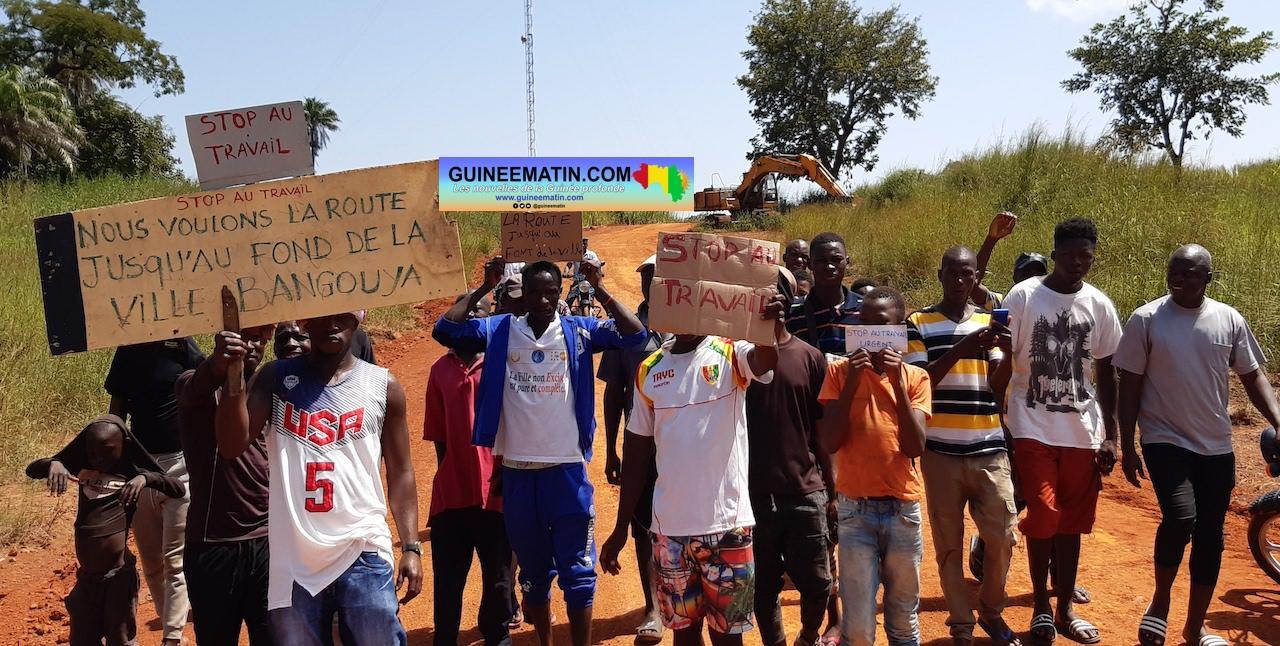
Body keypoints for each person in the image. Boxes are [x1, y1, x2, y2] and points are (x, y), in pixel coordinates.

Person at [433, 258, 646, 646]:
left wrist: (597, 287)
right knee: (532, 572)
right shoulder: (500, 330)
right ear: (523, 295)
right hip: (517, 472)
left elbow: (635, 335)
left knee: (578, 572)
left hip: (566, 471)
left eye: (552, 292)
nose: (545, 300)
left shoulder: (579, 331)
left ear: (560, 293)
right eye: (536, 292)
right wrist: (485, 286)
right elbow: (445, 330)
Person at [214, 310, 422, 645]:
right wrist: (233, 375)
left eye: (343, 315)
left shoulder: (383, 385)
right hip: (294, 555)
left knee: (379, 636)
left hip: (362, 544)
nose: (332, 324)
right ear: (306, 322)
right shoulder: (276, 378)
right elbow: (230, 445)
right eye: (323, 316)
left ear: (359, 320)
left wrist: (411, 546)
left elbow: (401, 471)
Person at [601, 278, 787, 646]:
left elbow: (765, 359)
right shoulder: (649, 370)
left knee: (727, 637)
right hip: (670, 534)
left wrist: (770, 326)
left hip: (728, 528)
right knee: (684, 635)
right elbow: (637, 454)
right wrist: (621, 527)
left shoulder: (731, 353)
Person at [1115, 244, 1280, 646]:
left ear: (1208, 278)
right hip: (1163, 438)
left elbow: (1253, 376)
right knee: (1181, 516)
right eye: (1174, 270)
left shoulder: (1228, 319)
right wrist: (1128, 443)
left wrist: (1278, 419)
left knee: (1211, 534)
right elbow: (1129, 386)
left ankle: (1195, 627)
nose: (1179, 278)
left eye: (1190, 273)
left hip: (1216, 444)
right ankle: (1160, 601)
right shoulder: (1147, 319)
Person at [1002, 218, 1121, 645]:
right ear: (1055, 254)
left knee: (1071, 524)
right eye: (1069, 254)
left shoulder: (1100, 305)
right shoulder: (1025, 296)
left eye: (1085, 256)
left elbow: (1107, 374)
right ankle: (1040, 607)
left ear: (1093, 256)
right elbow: (1004, 356)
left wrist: (1112, 435)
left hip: (1082, 430)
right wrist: (1000, 420)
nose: (1077, 263)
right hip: (1031, 424)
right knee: (1044, 515)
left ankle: (1065, 606)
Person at [906, 247, 1020, 646]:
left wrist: (1005, 352)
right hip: (940, 452)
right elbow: (920, 381)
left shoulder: (990, 321)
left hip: (989, 447)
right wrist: (961, 348)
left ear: (976, 279)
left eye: (967, 274)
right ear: (940, 275)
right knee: (949, 547)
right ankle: (961, 625)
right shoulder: (918, 322)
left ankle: (990, 609)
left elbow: (997, 387)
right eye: (952, 273)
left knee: (1004, 535)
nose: (959, 280)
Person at [817, 287, 930, 646]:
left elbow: (914, 446)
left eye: (880, 326)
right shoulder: (838, 372)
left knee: (902, 617)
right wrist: (851, 381)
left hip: (902, 510)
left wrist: (896, 382)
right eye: (862, 324)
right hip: (856, 511)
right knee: (859, 625)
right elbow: (829, 441)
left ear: (899, 330)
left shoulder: (916, 378)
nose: (870, 334)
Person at [27, 415, 185, 646]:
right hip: (87, 578)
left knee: (119, 637)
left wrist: (144, 478)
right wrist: (53, 463)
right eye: (92, 452)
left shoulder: (131, 472)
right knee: (81, 638)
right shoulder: (83, 467)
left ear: (124, 446)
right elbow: (32, 470)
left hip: (117, 578)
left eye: (107, 451)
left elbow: (177, 488)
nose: (99, 458)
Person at [744, 268, 834, 646]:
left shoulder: (811, 357)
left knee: (818, 585)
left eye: (778, 294)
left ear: (790, 299)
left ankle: (808, 636)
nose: (772, 301)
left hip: (805, 492)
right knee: (762, 588)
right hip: (753, 497)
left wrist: (832, 490)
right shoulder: (738, 360)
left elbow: (822, 432)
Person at [176, 324, 276, 645]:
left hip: (268, 541)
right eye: (246, 336)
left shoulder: (265, 390)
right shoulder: (197, 386)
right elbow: (198, 384)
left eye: (261, 337)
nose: (253, 345)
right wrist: (219, 364)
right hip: (213, 543)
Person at [425, 292, 514, 646]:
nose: (472, 318)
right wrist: (450, 474)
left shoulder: (502, 362)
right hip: (453, 494)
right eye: (466, 313)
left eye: (480, 312)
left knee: (498, 579)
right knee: (448, 581)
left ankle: (497, 635)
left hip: (496, 491)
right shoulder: (439, 370)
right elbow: (439, 437)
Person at [104, 337, 204, 646]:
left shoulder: (182, 346)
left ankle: (172, 637)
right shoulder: (126, 351)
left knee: (175, 559)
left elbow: (206, 385)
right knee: (152, 561)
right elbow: (117, 412)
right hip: (140, 470)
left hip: (180, 466)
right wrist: (113, 465)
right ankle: (169, 623)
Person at [595, 254, 668, 644]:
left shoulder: (692, 328)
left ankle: (686, 599)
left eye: (659, 278)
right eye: (647, 278)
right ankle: (653, 607)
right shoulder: (626, 329)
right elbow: (613, 393)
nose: (652, 285)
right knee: (642, 526)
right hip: (641, 444)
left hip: (685, 446)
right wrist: (610, 450)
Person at [788, 232, 862, 357]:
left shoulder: (866, 310)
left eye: (836, 260)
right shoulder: (792, 313)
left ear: (847, 262)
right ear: (810, 264)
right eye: (821, 261)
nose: (829, 266)